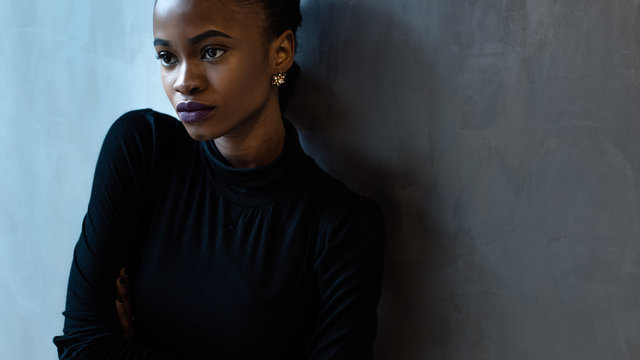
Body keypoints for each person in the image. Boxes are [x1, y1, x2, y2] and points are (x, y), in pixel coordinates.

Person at [53, 0, 385, 358]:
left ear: (281, 53)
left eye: (211, 52)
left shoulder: (341, 226)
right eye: (167, 57)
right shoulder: (143, 150)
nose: (184, 83)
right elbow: (81, 346)